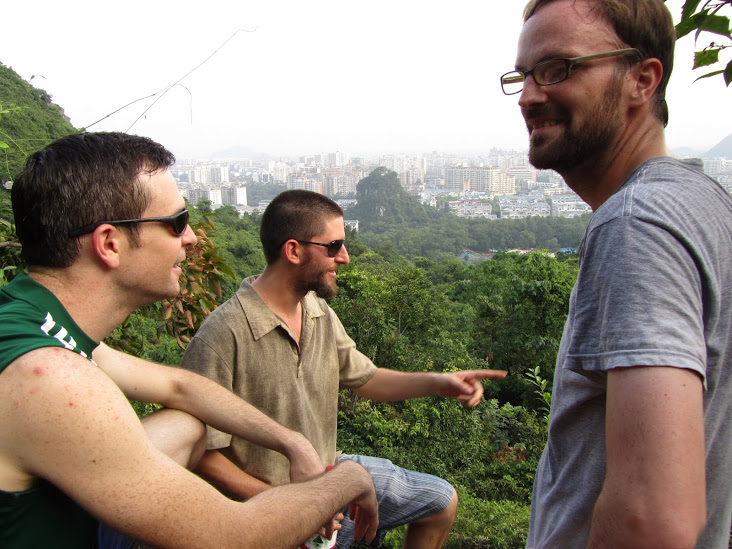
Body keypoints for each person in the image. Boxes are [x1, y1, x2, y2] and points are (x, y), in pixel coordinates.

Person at [0, 131, 380, 549]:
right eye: (176, 223)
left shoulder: (36, 318)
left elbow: (180, 387)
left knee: (187, 425)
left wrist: (291, 443)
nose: (192, 238)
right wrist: (349, 477)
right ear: (109, 243)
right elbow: (234, 535)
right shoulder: (50, 378)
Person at [499, 0, 732, 547]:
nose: (532, 95)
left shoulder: (636, 224)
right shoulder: (709, 206)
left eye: (559, 69)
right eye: (523, 76)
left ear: (642, 80)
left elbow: (650, 521)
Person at [179, 188, 507, 549]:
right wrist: (290, 505)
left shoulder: (319, 313)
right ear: (293, 250)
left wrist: (438, 382)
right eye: (334, 246)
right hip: (267, 508)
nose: (345, 258)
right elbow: (204, 455)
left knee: (440, 501)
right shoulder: (223, 335)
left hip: (329, 474)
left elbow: (366, 378)